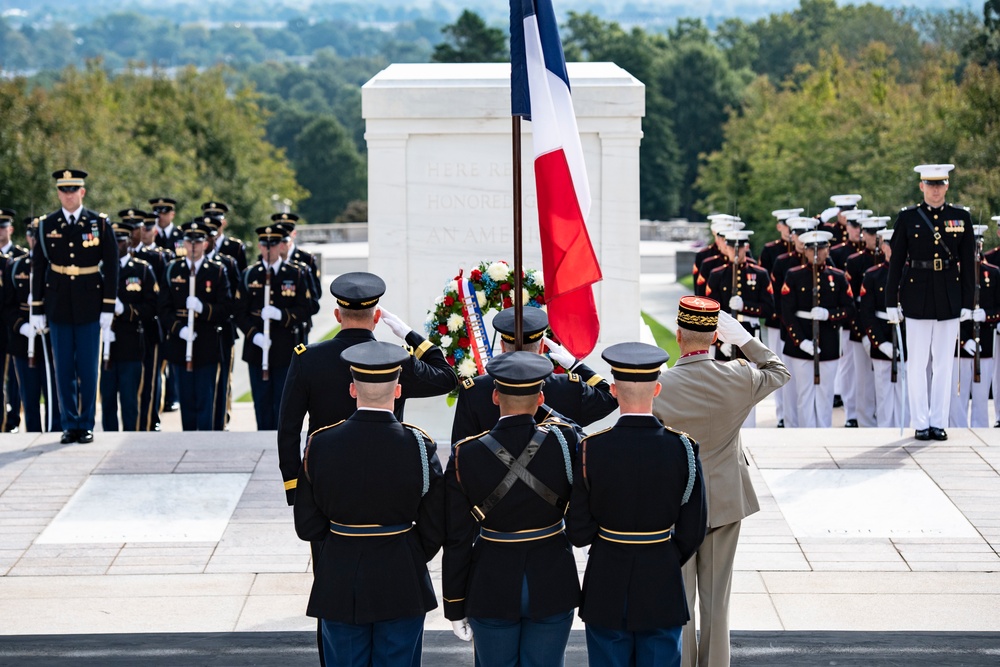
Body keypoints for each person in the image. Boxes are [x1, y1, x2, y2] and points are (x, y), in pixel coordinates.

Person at [652, 298, 789, 667]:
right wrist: (745, 340)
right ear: (716, 337)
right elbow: (778, 371)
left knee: (681, 600)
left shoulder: (660, 386)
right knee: (718, 600)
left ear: (678, 336)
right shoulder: (740, 375)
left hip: (677, 504)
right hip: (725, 500)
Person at [294, 341, 444, 667]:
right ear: (399, 390)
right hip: (402, 578)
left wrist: (342, 543)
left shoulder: (321, 444)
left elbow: (307, 525)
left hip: (339, 577)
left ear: (352, 389)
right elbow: (435, 525)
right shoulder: (420, 445)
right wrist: (406, 548)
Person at [568, 341, 707, 667]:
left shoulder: (590, 449)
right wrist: (663, 554)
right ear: (657, 389)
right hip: (661, 580)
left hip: (606, 579)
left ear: (613, 391)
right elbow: (694, 528)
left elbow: (578, 531)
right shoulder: (683, 448)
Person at [444, 351, 580, 666]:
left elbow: (457, 538)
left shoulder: (467, 454)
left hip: (491, 582)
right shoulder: (564, 440)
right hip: (552, 579)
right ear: (541, 396)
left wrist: (454, 604)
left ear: (494, 396)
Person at [277, 271, 456, 504]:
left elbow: (288, 428)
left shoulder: (307, 359)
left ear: (337, 316)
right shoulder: (396, 359)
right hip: (385, 473)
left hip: (326, 475)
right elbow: (447, 378)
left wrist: (295, 487)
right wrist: (410, 335)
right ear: (377, 316)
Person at [885, 164, 975, 441]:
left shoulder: (960, 217)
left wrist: (967, 304)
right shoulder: (908, 217)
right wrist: (891, 300)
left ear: (947, 186)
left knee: (944, 364)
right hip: (917, 294)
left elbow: (968, 263)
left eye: (940, 184)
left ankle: (938, 421)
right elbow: (897, 261)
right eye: (930, 185)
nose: (936, 190)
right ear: (922, 186)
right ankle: (920, 421)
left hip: (949, 295)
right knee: (917, 363)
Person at [31, 169, 118, 444]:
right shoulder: (47, 224)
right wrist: (36, 308)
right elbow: (39, 266)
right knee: (64, 368)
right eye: (63, 190)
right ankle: (69, 423)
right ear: (58, 193)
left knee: (88, 368)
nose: (68, 195)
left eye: (73, 190)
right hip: (58, 305)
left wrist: (108, 306)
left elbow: (112, 266)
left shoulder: (99, 223)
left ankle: (87, 422)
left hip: (90, 303)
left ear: (82, 192)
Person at [450, 307, 618, 443]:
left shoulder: (474, 390)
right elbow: (610, 397)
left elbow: (459, 450)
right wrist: (576, 365)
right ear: (541, 347)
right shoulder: (569, 387)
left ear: (502, 346)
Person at [234, 225, 312, 430]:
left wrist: (281, 315)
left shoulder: (295, 274)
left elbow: (306, 309)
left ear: (281, 246)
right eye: (264, 244)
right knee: (261, 403)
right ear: (260, 246)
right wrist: (254, 335)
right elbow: (239, 312)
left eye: (274, 244)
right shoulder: (249, 275)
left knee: (283, 404)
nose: (268, 249)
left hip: (284, 349)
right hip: (257, 349)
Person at [159, 219, 233, 431]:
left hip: (207, 343)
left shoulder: (217, 271)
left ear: (205, 244)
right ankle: (188, 440)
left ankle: (205, 442)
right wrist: (179, 329)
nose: (192, 246)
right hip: (181, 343)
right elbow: (163, 308)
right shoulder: (173, 270)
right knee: (187, 400)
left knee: (205, 398)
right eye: (188, 242)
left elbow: (226, 308)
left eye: (197, 242)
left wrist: (203, 308)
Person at [780, 230, 855, 428]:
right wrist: (801, 341)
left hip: (828, 341)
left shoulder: (837, 277)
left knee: (825, 393)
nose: (816, 253)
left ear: (827, 250)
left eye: (821, 248)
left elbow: (849, 308)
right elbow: (787, 312)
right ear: (804, 251)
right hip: (801, 342)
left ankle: (824, 431)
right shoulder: (794, 275)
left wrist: (829, 314)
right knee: (804, 393)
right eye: (812, 249)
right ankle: (806, 433)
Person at [100, 214, 160, 432]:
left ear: (129, 242)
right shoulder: (100, 271)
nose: (118, 245)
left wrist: (126, 310)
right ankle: (108, 437)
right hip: (106, 346)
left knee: (129, 400)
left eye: (121, 240)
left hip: (131, 344)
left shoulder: (141, 270)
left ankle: (132, 437)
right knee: (107, 400)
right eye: (114, 241)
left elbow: (152, 307)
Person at [1, 218, 60, 432]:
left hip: (49, 338)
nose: (34, 238)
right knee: (30, 396)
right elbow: (7, 306)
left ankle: (55, 431)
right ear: (27, 237)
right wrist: (22, 326)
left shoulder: (55, 265)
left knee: (53, 395)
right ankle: (33, 434)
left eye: (38, 234)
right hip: (22, 341)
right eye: (31, 234)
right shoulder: (15, 265)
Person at [842, 217, 890, 428]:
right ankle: (864, 420)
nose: (875, 239)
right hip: (861, 327)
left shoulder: (890, 264)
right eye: (871, 234)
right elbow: (852, 302)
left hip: (884, 329)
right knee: (863, 380)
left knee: (886, 379)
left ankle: (885, 418)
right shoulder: (855, 261)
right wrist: (862, 333)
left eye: (879, 234)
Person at [949, 224, 997, 428]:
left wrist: (988, 315)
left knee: (980, 397)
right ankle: (957, 431)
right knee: (957, 398)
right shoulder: (954, 273)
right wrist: (963, 340)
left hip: (984, 343)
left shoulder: (993, 273)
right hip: (959, 344)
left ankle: (981, 431)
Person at [858, 229, 907, 428]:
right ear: (884, 246)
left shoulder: (911, 273)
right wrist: (880, 343)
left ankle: (906, 427)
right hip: (883, 336)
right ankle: (885, 430)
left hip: (905, 336)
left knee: (905, 393)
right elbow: (867, 313)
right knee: (884, 392)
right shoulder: (873, 275)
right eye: (889, 244)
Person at [133, 211, 173, 430]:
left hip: (151, 325)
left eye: (145, 228)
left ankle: (150, 419)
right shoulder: (122, 254)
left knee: (152, 377)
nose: (141, 233)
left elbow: (162, 295)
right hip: (127, 327)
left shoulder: (158, 257)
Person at [0, 208, 27, 432]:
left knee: (15, 376)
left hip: (15, 325)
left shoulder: (19, 257)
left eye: (2, 226)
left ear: (11, 229)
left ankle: (13, 419)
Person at [202, 201, 248, 271]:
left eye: (217, 222)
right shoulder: (197, 246)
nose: (213, 226)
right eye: (209, 223)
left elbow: (242, 274)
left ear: (224, 223)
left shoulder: (235, 247)